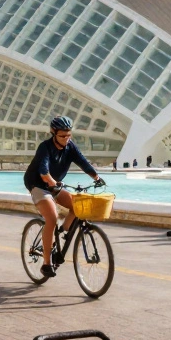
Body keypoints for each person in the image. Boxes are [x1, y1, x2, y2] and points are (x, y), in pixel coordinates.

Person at [23, 116, 104, 277]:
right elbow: (44, 171)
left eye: (69, 135)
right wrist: (52, 182)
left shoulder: (70, 146)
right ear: (53, 133)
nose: (66, 139)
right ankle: (46, 264)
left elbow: (83, 162)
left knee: (78, 206)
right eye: (62, 136)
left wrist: (96, 178)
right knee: (52, 218)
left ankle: (63, 232)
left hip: (55, 185)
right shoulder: (45, 147)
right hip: (38, 184)